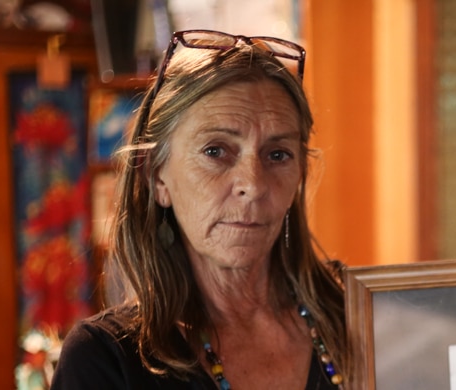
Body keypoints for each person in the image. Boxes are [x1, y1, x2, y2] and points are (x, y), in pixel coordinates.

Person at [50, 29, 349, 390]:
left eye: (277, 154)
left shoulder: (361, 316)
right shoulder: (107, 359)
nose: (252, 185)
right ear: (157, 176)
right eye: (215, 151)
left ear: (300, 173)